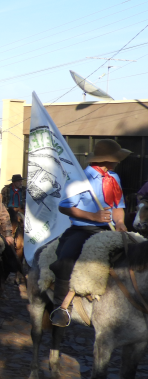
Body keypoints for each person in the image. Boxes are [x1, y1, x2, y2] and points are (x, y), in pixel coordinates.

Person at [50, 139, 131, 327]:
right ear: (107, 160)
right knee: (66, 259)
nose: (118, 162)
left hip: (108, 229)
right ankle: (60, 308)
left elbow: (119, 206)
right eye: (116, 159)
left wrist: (120, 222)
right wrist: (93, 216)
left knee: (136, 253)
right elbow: (65, 206)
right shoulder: (81, 178)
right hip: (83, 228)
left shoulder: (114, 178)